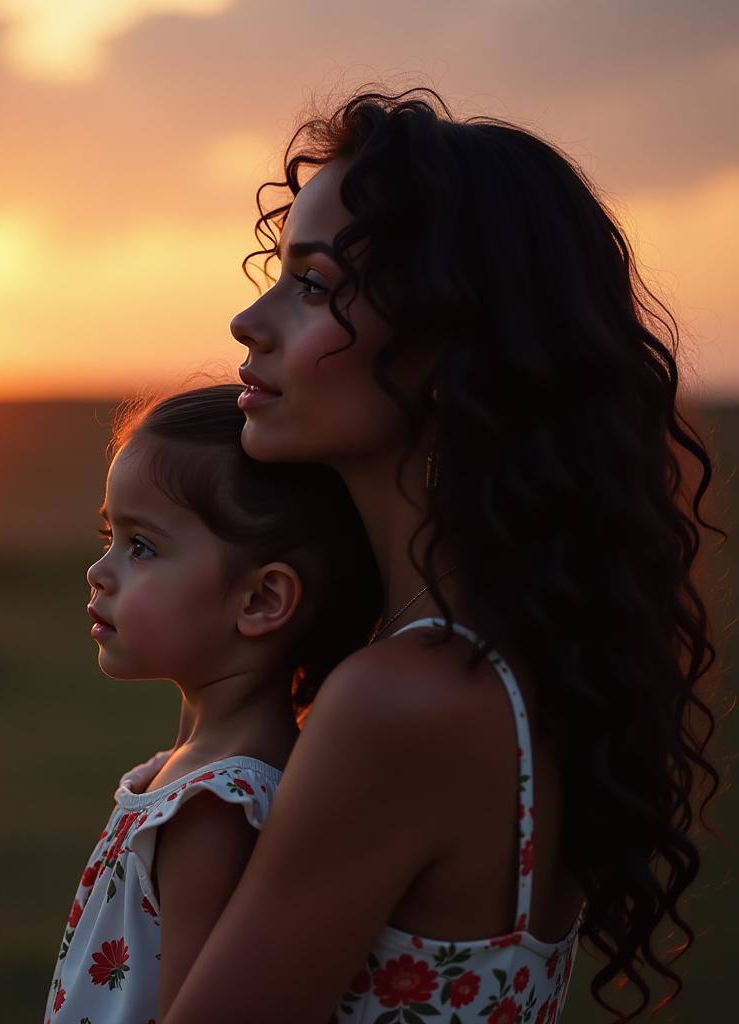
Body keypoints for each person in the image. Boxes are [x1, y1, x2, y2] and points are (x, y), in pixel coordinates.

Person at [157, 88, 727, 1024]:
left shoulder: (405, 699)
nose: (247, 324)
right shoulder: (521, 657)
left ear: (447, 341)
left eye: (311, 286)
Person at [42, 382, 382, 1023]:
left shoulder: (214, 807)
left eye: (141, 546)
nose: (100, 570)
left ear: (260, 601)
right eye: (108, 534)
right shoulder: (198, 771)